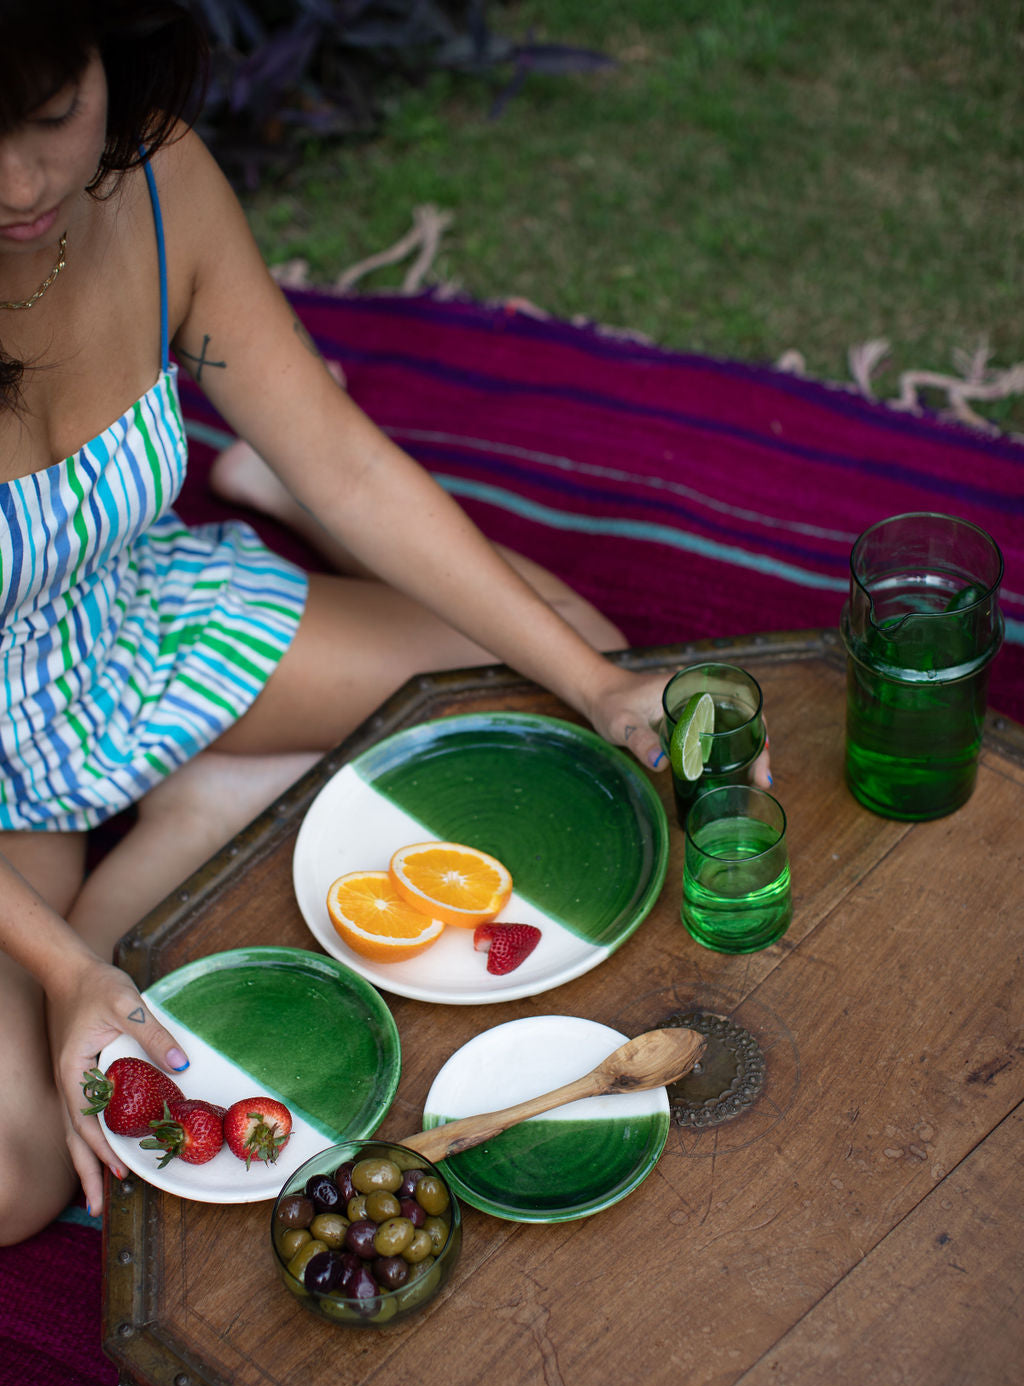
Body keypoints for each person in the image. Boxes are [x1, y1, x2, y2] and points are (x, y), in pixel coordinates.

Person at [0, 0, 768, 1246]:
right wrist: (65, 970)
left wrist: (599, 688)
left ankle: (254, 489)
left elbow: (350, 469)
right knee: (15, 1181)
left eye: (50, 115)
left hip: (134, 628)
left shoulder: (149, 180)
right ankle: (193, 818)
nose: (26, 181)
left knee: (566, 656)